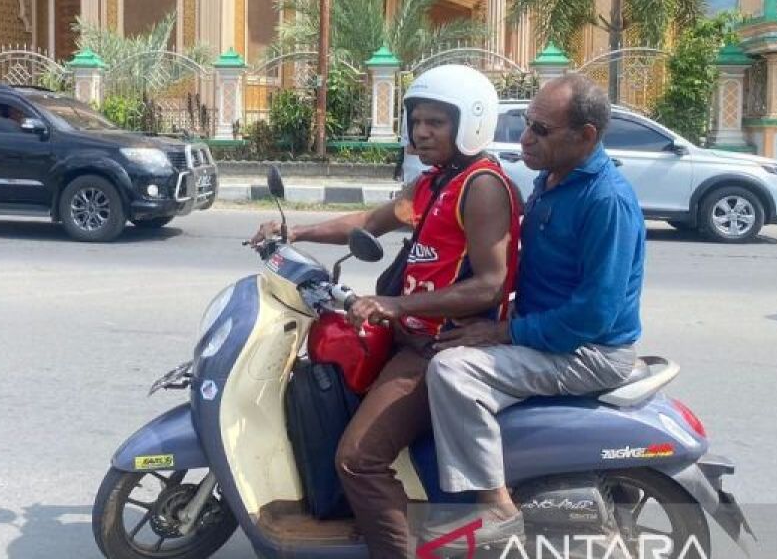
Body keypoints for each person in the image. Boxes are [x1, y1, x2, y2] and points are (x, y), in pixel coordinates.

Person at [250, 65, 521, 559]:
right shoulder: (435, 183)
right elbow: (370, 222)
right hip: (409, 335)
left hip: (435, 348)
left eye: (437, 121)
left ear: (470, 123)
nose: (422, 131)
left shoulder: (481, 187)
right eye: (417, 120)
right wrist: (296, 234)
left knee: (358, 459)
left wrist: (394, 304)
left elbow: (490, 284)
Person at [419, 73, 645, 551]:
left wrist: (503, 332)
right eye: (527, 123)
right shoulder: (552, 181)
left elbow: (593, 315)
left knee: (453, 372)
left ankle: (496, 508)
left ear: (585, 136)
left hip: (591, 350)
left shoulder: (605, 199)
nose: (525, 138)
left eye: (541, 130)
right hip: (555, 332)